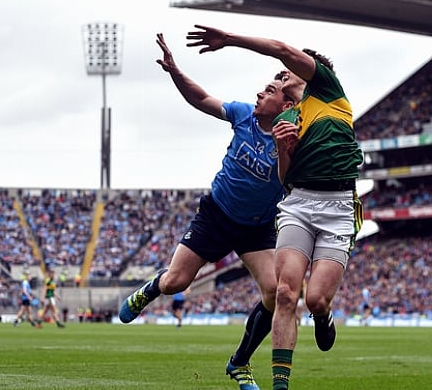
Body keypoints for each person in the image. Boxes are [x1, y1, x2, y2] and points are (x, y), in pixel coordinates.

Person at [118, 33, 301, 390]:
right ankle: (150, 289)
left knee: (276, 293)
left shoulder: (291, 134)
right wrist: (175, 71)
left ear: (284, 105)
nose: (260, 92)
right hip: (216, 215)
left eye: (270, 90)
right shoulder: (242, 114)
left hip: (256, 228)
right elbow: (201, 98)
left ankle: (240, 363)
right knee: (176, 283)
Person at [185, 24, 363, 390]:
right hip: (299, 202)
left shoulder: (327, 91)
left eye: (286, 70)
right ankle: (280, 386)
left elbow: (281, 48)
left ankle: (324, 315)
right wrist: (283, 148)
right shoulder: (286, 118)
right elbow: (285, 178)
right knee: (285, 293)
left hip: (338, 205)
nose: (281, 74)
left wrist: (231, 39)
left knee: (315, 299)